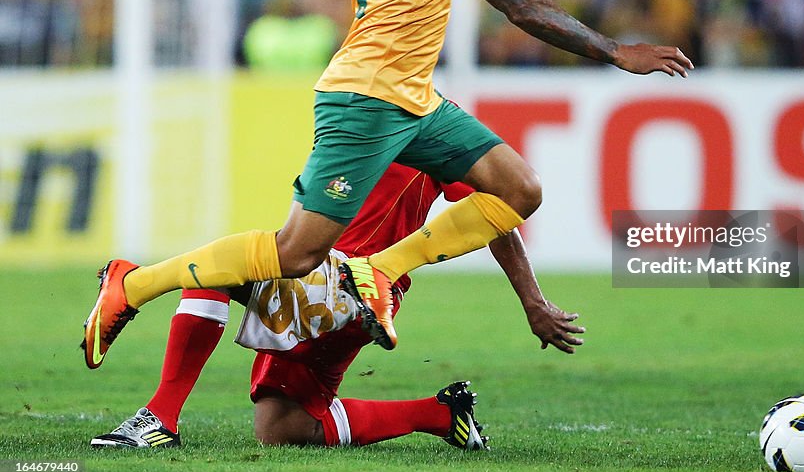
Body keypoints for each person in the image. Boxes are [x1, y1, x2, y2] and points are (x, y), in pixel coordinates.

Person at [83, 0, 690, 368]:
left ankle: (379, 270)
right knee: (297, 253)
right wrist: (614, 50)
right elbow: (520, 5)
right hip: (368, 96)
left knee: (518, 189)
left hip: (412, 97)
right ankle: (132, 285)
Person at [91, 163, 584, 449]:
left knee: (217, 273)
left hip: (358, 289)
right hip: (315, 277)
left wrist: (532, 301)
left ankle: (159, 416)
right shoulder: (347, 116)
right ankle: (440, 414)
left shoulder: (433, 128)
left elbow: (495, 208)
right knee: (281, 428)